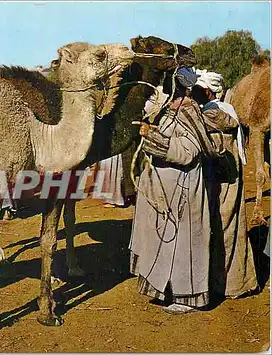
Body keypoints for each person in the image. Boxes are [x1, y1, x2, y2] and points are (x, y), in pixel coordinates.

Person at [129, 67, 221, 314]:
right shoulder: (167, 110)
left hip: (183, 186)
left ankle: (187, 297)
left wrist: (154, 140)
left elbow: (188, 152)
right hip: (162, 188)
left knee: (184, 244)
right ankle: (165, 289)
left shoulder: (190, 112)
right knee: (162, 241)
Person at [192, 69, 258, 298]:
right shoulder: (217, 111)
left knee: (226, 227)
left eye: (198, 90)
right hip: (221, 178)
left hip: (225, 179)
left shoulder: (217, 114)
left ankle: (230, 285)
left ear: (209, 92)